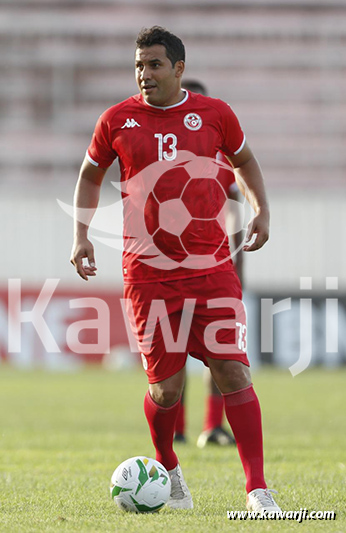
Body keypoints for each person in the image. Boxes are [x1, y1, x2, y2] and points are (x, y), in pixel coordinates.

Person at [70, 26, 281, 513]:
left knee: (233, 372)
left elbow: (245, 161)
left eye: (155, 64)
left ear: (179, 69)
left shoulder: (215, 114)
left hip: (212, 270)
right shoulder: (117, 120)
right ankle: (169, 466)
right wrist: (80, 235)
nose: (145, 74)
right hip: (147, 274)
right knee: (165, 390)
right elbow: (89, 174)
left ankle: (257, 490)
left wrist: (261, 210)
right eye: (139, 65)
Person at [173, 80, 244, 448]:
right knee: (172, 355)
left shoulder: (220, 162)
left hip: (212, 268)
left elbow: (235, 212)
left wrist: (237, 264)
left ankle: (212, 427)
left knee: (220, 352)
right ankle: (177, 429)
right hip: (165, 270)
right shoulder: (161, 155)